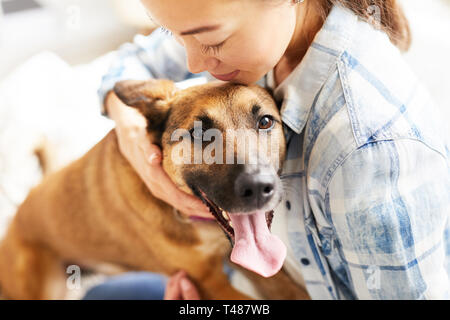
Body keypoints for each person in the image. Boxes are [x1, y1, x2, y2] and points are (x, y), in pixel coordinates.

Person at [92, 0, 450, 299]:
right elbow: (129, 66)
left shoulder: (366, 150)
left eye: (211, 40)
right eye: (178, 36)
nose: (194, 66)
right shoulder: (244, 24)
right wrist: (133, 136)